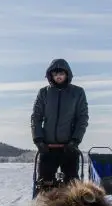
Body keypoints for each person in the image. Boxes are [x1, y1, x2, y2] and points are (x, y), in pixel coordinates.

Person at [31, 58, 89, 186]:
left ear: (67, 74)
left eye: (61, 73)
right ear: (51, 75)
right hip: (47, 147)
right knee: (44, 184)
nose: (58, 76)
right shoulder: (44, 93)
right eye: (55, 74)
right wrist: (38, 139)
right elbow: (36, 117)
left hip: (69, 147)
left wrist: (75, 140)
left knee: (72, 184)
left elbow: (82, 118)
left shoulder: (77, 92)